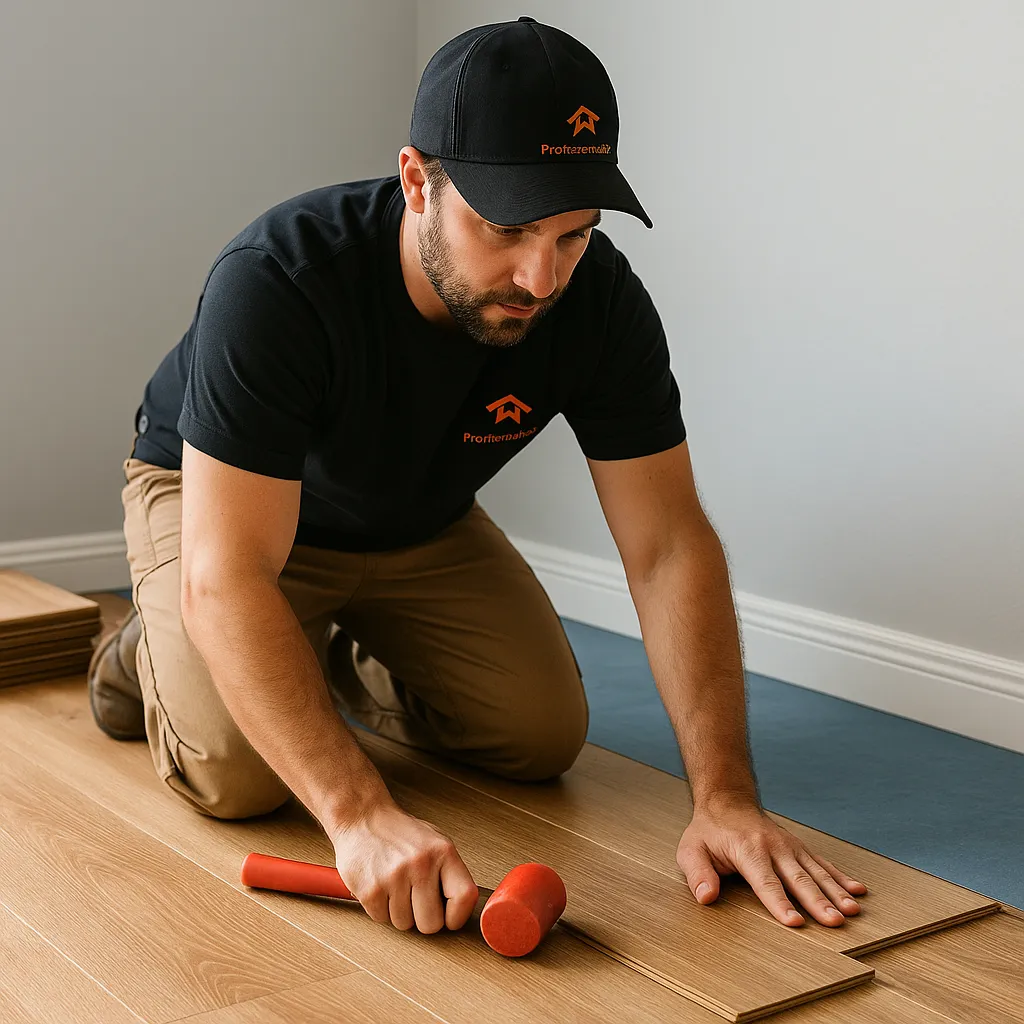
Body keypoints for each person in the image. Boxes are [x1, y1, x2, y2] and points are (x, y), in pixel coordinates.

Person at [89, 15, 866, 938]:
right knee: (238, 777)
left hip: (418, 516)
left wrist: (728, 798)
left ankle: (317, 648)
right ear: (418, 181)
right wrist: (361, 816)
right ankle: (148, 648)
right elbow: (228, 573)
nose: (540, 277)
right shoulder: (280, 280)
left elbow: (667, 545)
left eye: (573, 233)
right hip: (235, 519)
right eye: (507, 228)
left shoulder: (599, 300)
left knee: (538, 737)